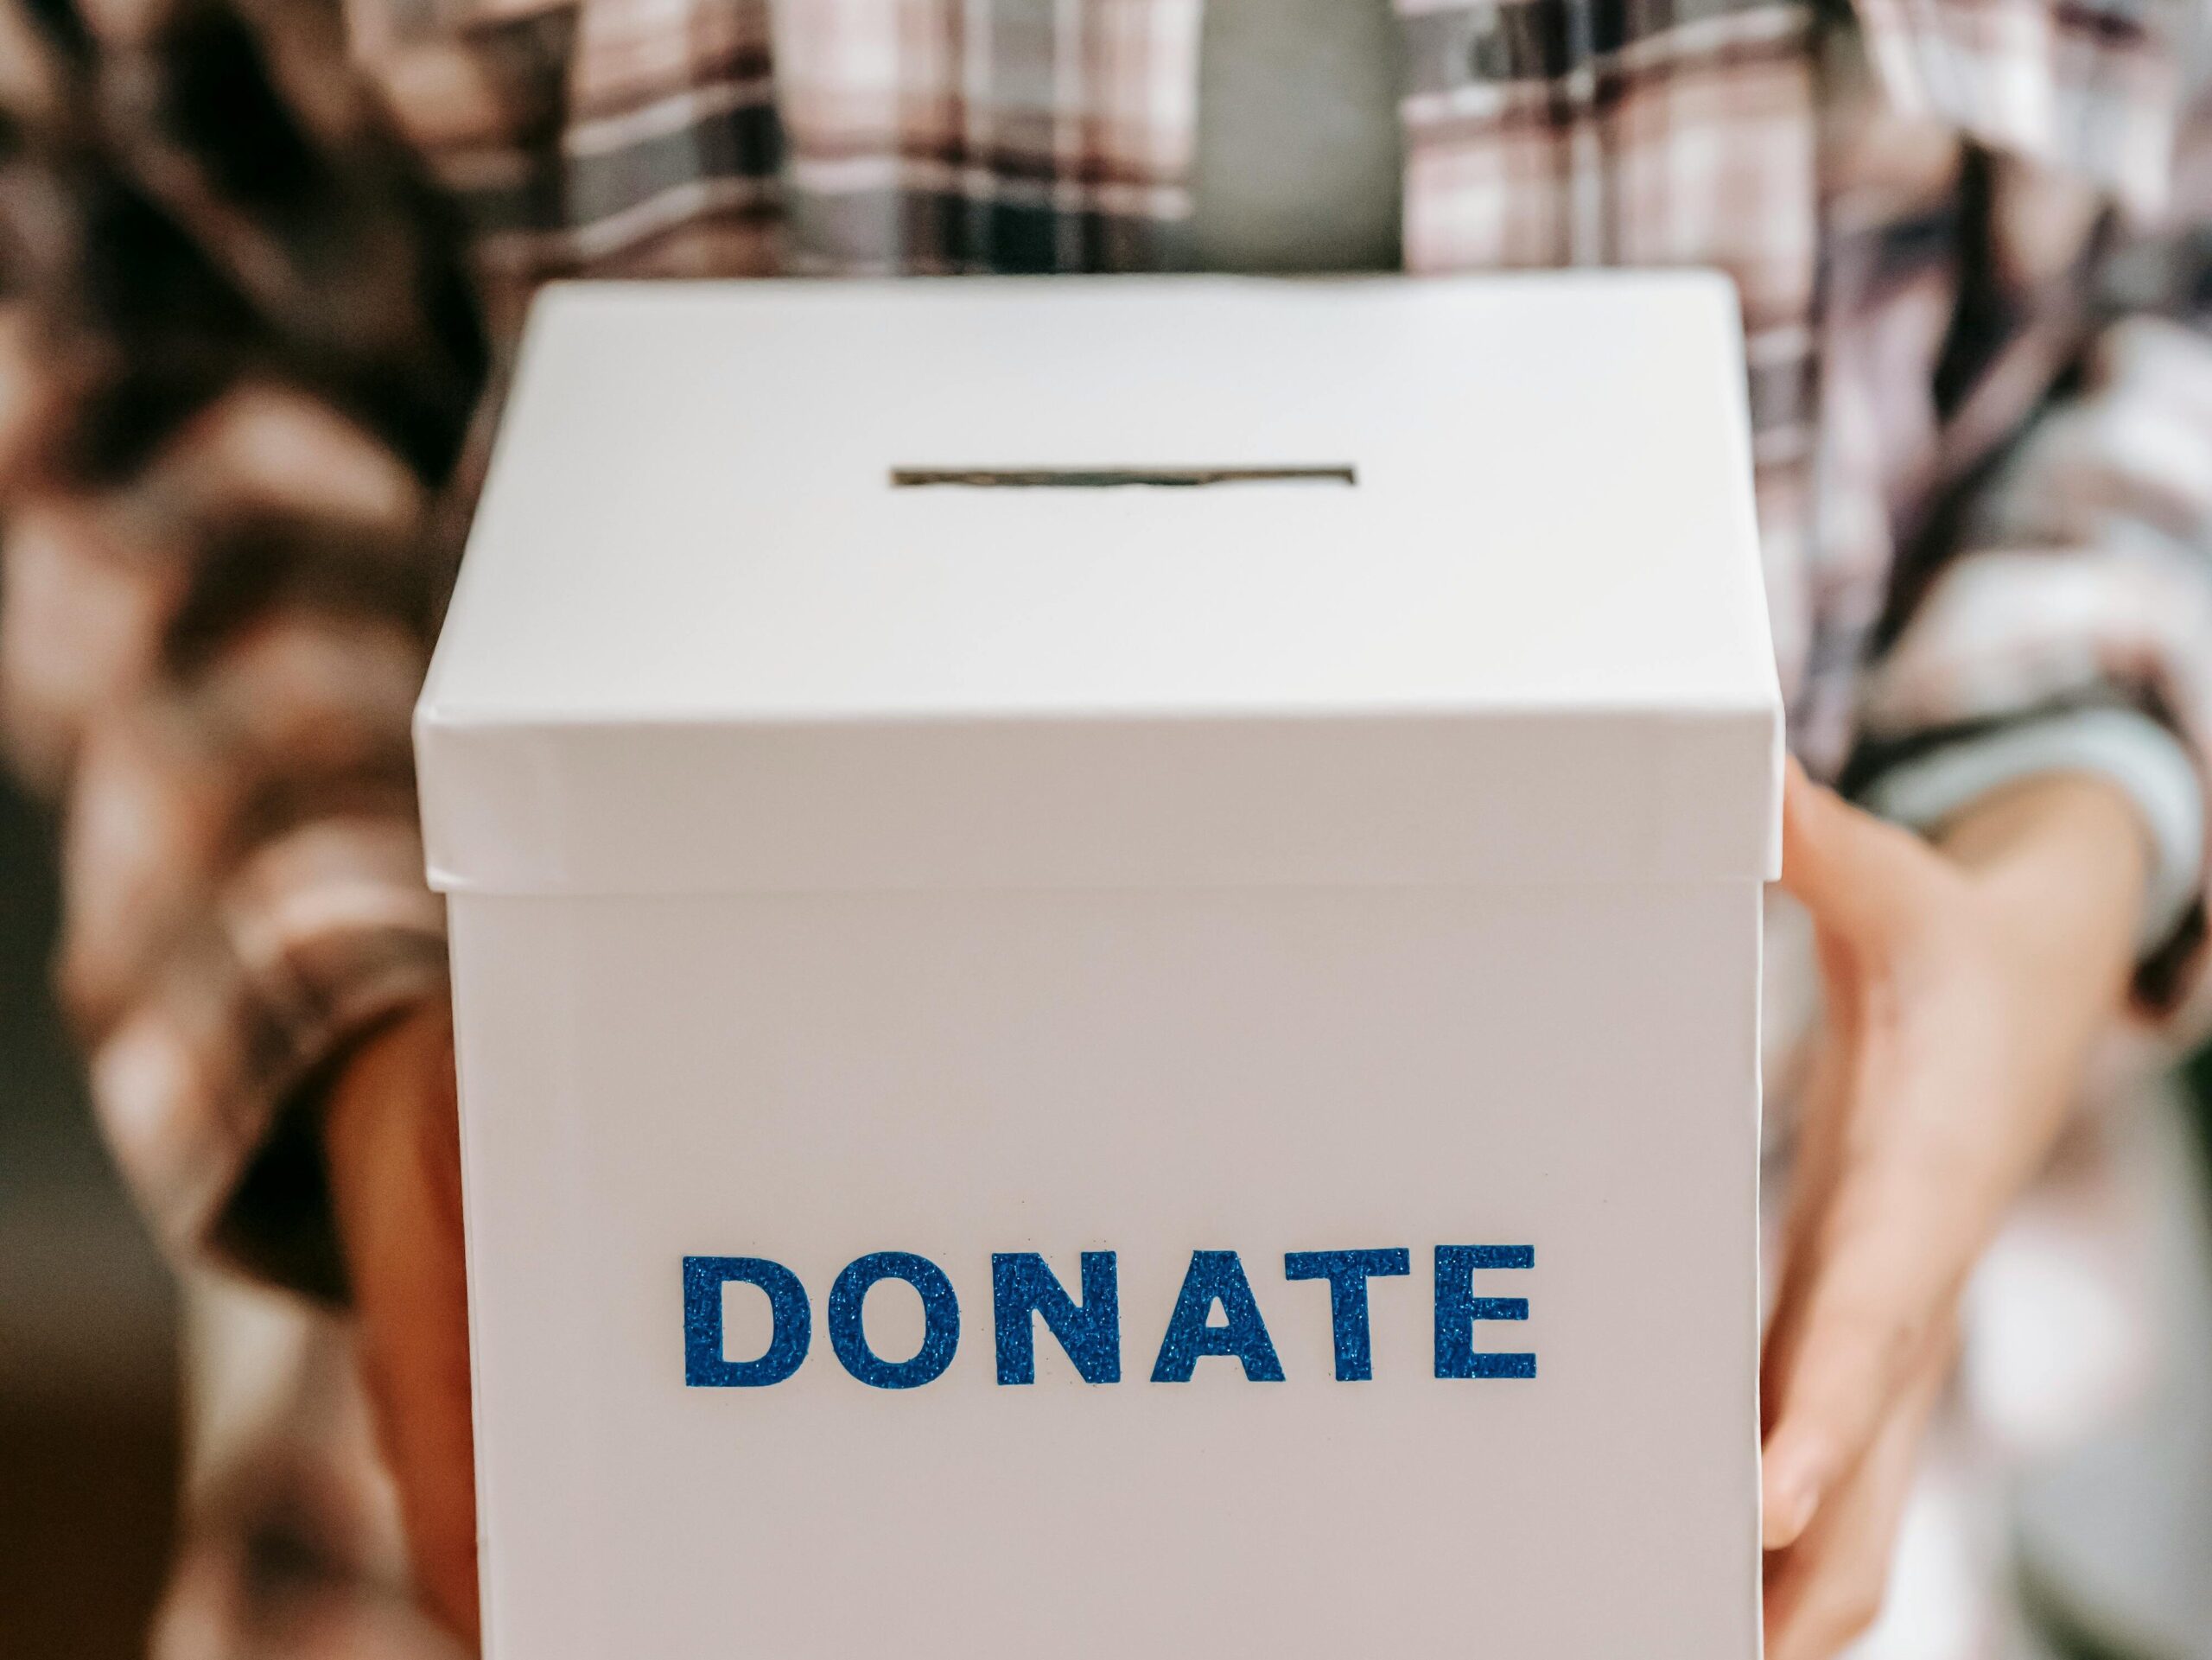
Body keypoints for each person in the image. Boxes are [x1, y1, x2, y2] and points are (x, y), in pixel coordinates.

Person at [3, 0, 2210, 1653]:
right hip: (578, 1470)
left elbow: (2166, 288)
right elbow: (82, 248)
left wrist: (2043, 860)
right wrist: (372, 1020)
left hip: (1710, 1455)